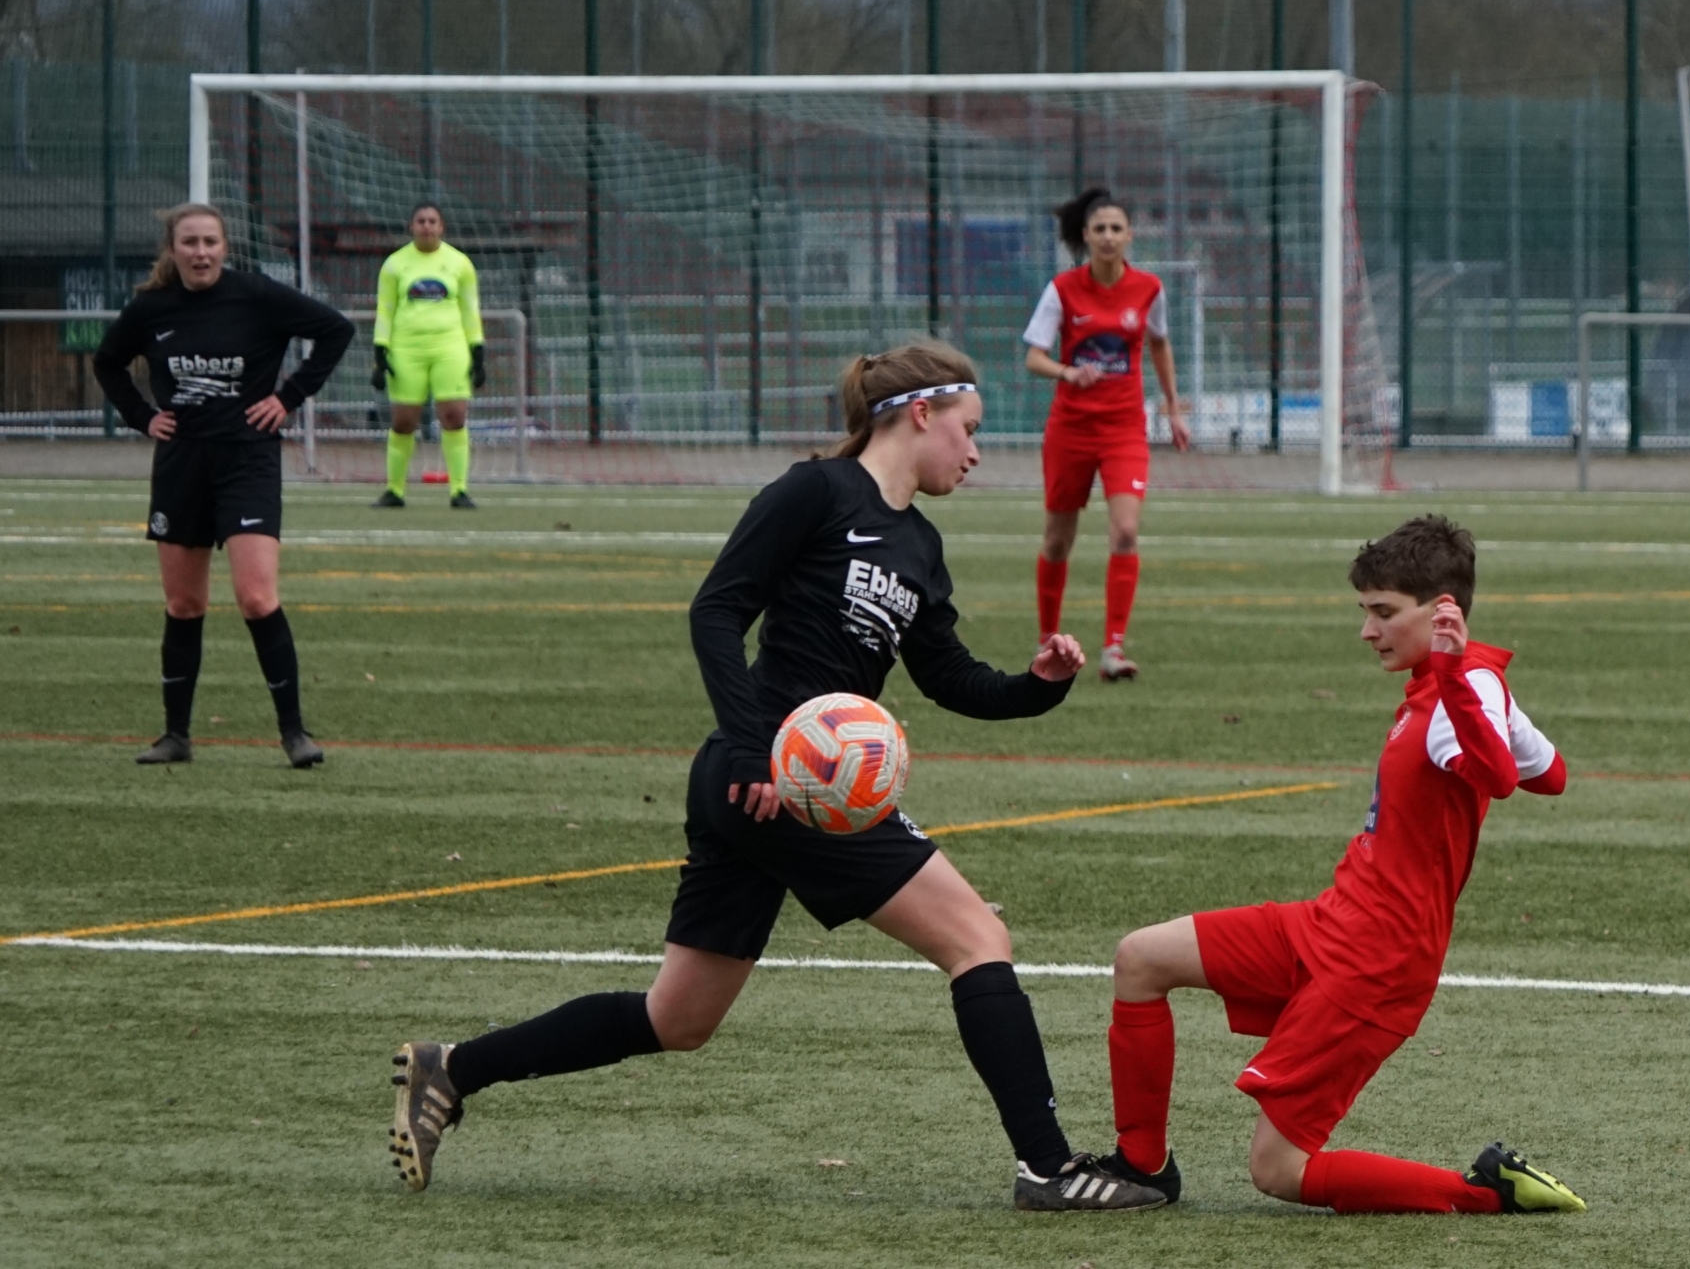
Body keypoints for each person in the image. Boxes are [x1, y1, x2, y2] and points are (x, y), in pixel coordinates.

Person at [386, 342, 1168, 1213]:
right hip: (780, 779)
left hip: (779, 786)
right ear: (921, 413)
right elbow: (717, 609)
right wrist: (759, 748)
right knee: (978, 938)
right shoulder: (814, 492)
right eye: (971, 430)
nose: (976, 452)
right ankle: (1049, 1166)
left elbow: (950, 678)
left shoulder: (920, 543)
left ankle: (452, 1068)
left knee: (677, 1018)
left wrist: (1039, 685)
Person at [1097, 516, 1589, 1216]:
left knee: (1278, 1169)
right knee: (1141, 959)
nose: (1368, 630)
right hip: (1332, 921)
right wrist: (1469, 683)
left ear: (1443, 610)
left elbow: (1500, 776)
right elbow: (1554, 773)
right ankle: (1140, 1168)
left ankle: (1488, 1192)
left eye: (1384, 613)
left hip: (1377, 960)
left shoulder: (1458, 689)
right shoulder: (1462, 684)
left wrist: (1458, 676)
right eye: (1366, 611)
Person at [94, 202, 354, 769]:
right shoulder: (152, 308)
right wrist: (143, 418)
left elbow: (337, 330)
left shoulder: (256, 295)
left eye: (210, 241)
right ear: (173, 249)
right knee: (184, 603)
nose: (201, 251)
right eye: (189, 242)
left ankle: (294, 734)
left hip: (247, 462)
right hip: (182, 466)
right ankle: (175, 736)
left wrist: (288, 398)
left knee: (257, 597)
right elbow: (107, 362)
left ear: (225, 246)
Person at [1023, 187, 1190, 682]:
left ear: (1129, 235)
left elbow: (1159, 345)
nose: (1109, 237)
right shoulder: (1062, 289)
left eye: (1117, 228)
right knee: (1057, 541)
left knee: (1126, 531)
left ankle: (1113, 649)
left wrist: (1173, 407)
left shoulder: (1148, 289)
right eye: (1100, 229)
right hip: (1070, 429)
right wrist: (1066, 372)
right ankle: (1046, 641)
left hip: (1123, 429)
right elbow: (1033, 355)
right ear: (1086, 236)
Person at [370, 203, 485, 508]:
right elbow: (386, 309)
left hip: (450, 347)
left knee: (454, 416)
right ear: (412, 226)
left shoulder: (460, 264)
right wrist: (380, 351)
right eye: (421, 221)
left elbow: (470, 310)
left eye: (433, 221)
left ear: (442, 227)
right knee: (405, 421)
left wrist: (478, 349)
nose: (427, 226)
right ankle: (395, 490)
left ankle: (459, 490)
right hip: (407, 349)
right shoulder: (395, 265)